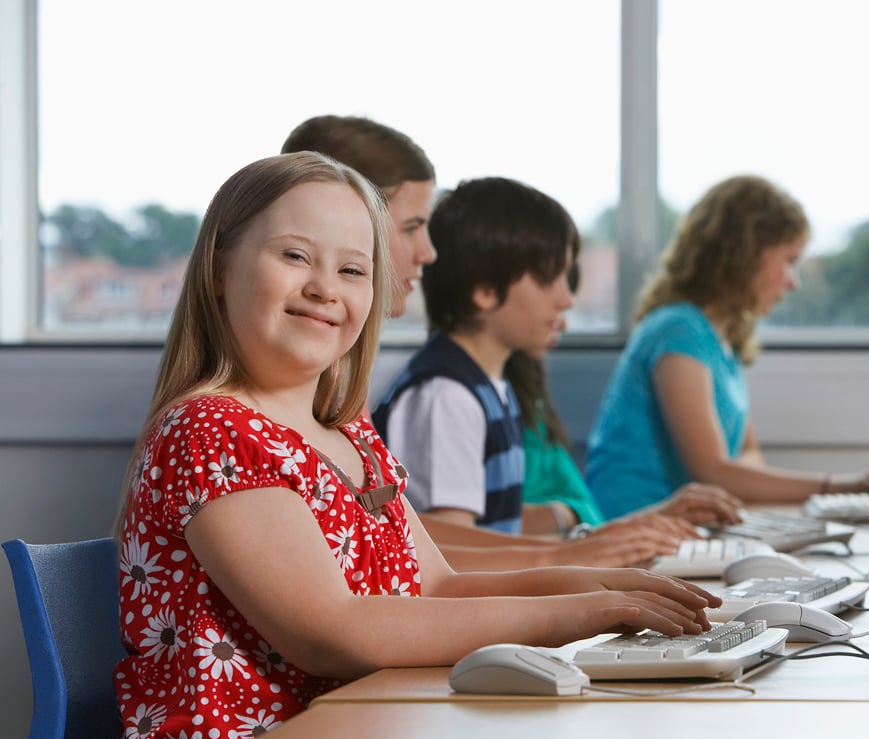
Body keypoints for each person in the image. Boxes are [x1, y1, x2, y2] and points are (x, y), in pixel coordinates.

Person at [107, 152, 718, 739]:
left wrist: (603, 587)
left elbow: (437, 590)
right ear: (220, 269)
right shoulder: (212, 430)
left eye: (352, 269)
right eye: (293, 256)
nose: (324, 287)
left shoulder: (351, 435)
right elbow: (330, 631)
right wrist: (568, 615)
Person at [281, 114, 706, 568]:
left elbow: (403, 532)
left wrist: (585, 543)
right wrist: (570, 556)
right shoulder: (440, 392)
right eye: (411, 227)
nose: (429, 252)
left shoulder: (349, 383)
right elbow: (420, 550)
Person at [375, 177, 720, 543]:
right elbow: (457, 553)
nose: (566, 299)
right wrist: (585, 560)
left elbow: (495, 529)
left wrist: (627, 532)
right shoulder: (445, 396)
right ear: (485, 291)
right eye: (548, 280)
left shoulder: (491, 386)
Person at [585, 175, 869, 519]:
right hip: (632, 530)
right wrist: (844, 486)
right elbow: (714, 471)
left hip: (684, 529)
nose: (793, 282)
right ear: (745, 255)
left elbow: (747, 457)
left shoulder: (720, 340)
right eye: (789, 260)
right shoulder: (678, 330)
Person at [505, 267, 744, 532]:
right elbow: (491, 529)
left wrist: (653, 519)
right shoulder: (679, 330)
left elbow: (587, 532)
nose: (566, 306)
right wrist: (566, 514)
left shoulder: (524, 392)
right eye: (547, 280)